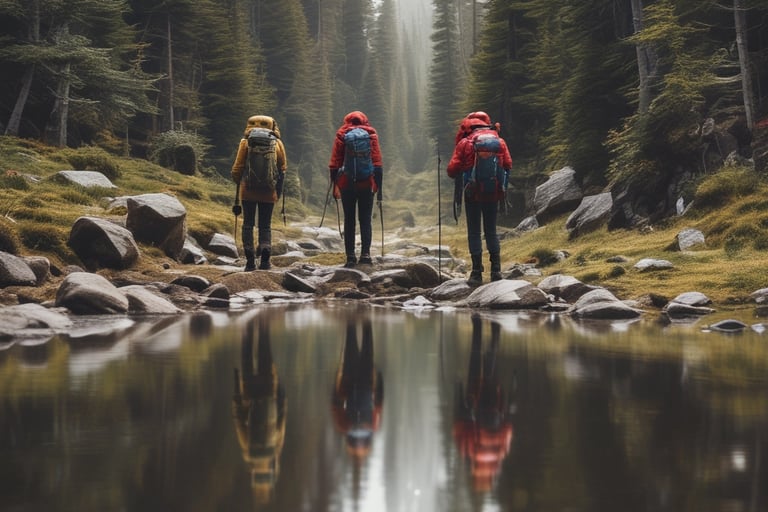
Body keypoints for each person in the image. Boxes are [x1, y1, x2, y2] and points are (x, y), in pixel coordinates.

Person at [447, 112, 512, 284]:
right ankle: (496, 271)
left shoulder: (465, 142)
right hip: (493, 193)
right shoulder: (499, 142)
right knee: (491, 230)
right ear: (487, 124)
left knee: (474, 231)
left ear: (468, 126)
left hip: (472, 193)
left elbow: (452, 171)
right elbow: (508, 165)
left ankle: (476, 273)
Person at [328, 111, 383, 268]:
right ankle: (365, 255)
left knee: (349, 220)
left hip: (347, 183)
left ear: (347, 121)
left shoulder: (342, 134)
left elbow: (335, 162)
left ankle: (350, 256)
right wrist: (378, 187)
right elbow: (377, 162)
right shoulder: (371, 134)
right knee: (365, 220)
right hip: (366, 183)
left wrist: (335, 183)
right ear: (365, 121)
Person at [231, 115, 287, 271]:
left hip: (248, 190)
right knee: (265, 225)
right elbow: (283, 168)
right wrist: (277, 191)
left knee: (248, 224)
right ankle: (265, 260)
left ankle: (249, 261)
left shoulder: (245, 143)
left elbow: (237, 168)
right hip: (269, 192)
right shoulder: (277, 143)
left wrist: (239, 181)